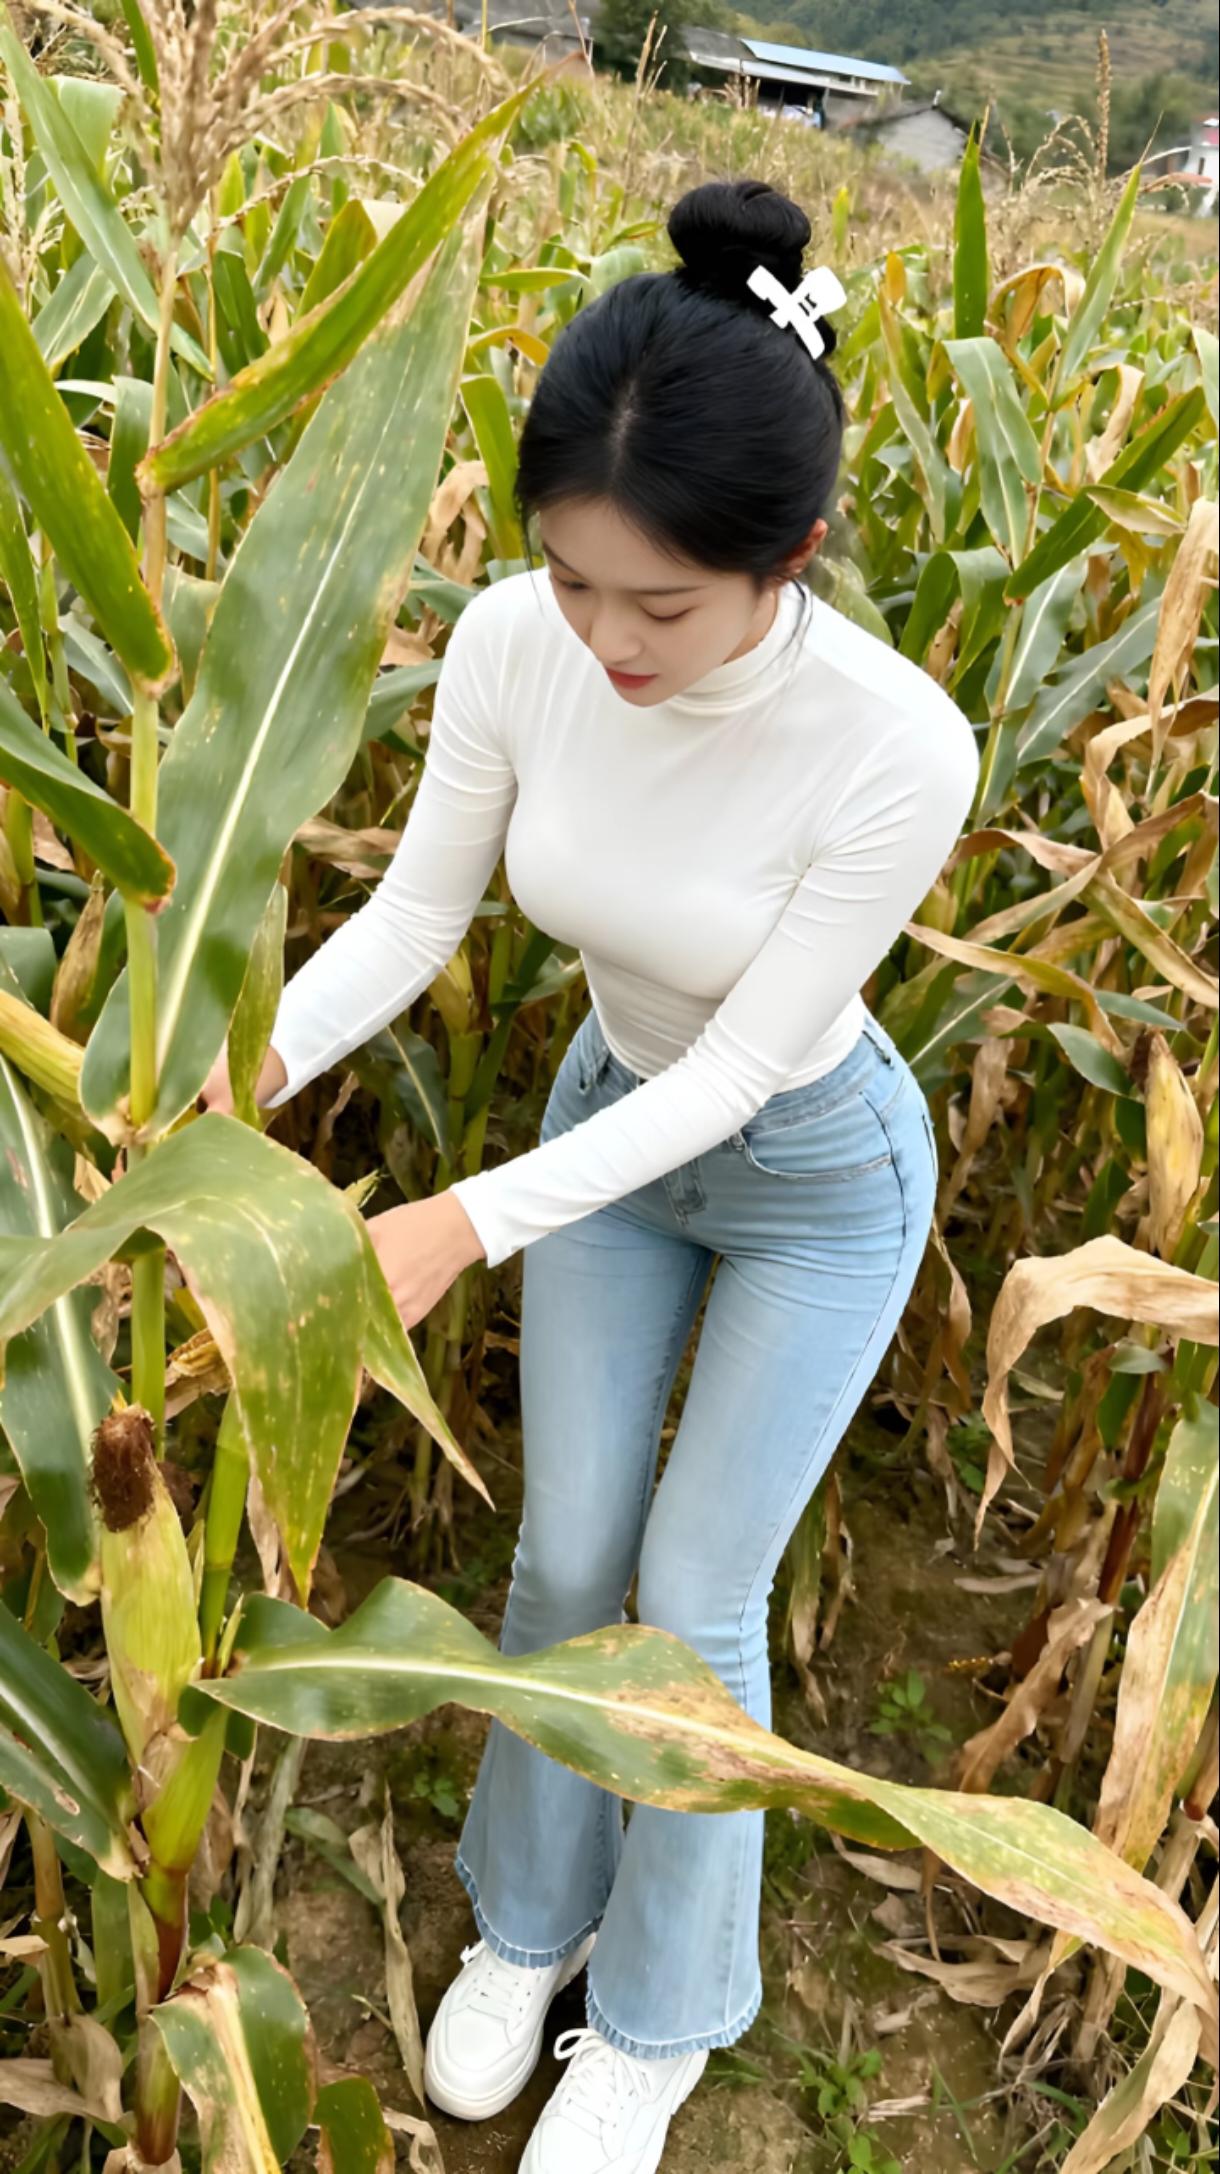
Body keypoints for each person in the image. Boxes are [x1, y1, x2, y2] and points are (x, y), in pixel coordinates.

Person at [201, 177, 979, 2174]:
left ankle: (655, 2019)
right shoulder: (512, 646)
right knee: (559, 1562)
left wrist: (460, 1219)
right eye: (571, 577)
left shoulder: (894, 745)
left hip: (805, 1168)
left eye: (665, 605)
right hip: (606, 1130)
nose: (608, 638)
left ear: (789, 557)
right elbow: (413, 917)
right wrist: (244, 1061)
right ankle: (529, 1923)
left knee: (694, 1597)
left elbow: (739, 1065)